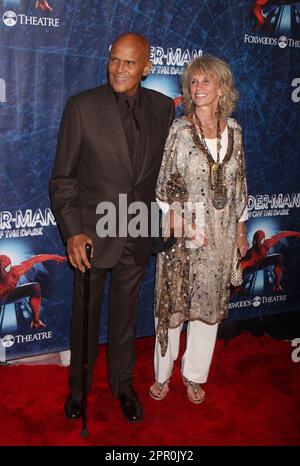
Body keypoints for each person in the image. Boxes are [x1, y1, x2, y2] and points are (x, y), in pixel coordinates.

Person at [50, 33, 174, 422]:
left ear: (147, 67)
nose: (119, 69)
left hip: (136, 230)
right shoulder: (82, 107)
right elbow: (63, 179)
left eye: (129, 63)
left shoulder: (163, 107)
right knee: (84, 317)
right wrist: (72, 231)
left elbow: (161, 174)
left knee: (125, 319)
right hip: (91, 234)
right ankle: (78, 390)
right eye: (114, 60)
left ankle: (123, 386)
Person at [150, 55, 248, 404]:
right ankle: (162, 375)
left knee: (207, 313)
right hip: (182, 234)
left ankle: (194, 375)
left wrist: (240, 230)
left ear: (222, 87)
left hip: (221, 238)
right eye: (193, 82)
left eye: (206, 81)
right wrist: (180, 220)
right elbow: (164, 184)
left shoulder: (235, 130)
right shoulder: (179, 130)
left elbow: (239, 188)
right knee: (173, 307)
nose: (198, 88)